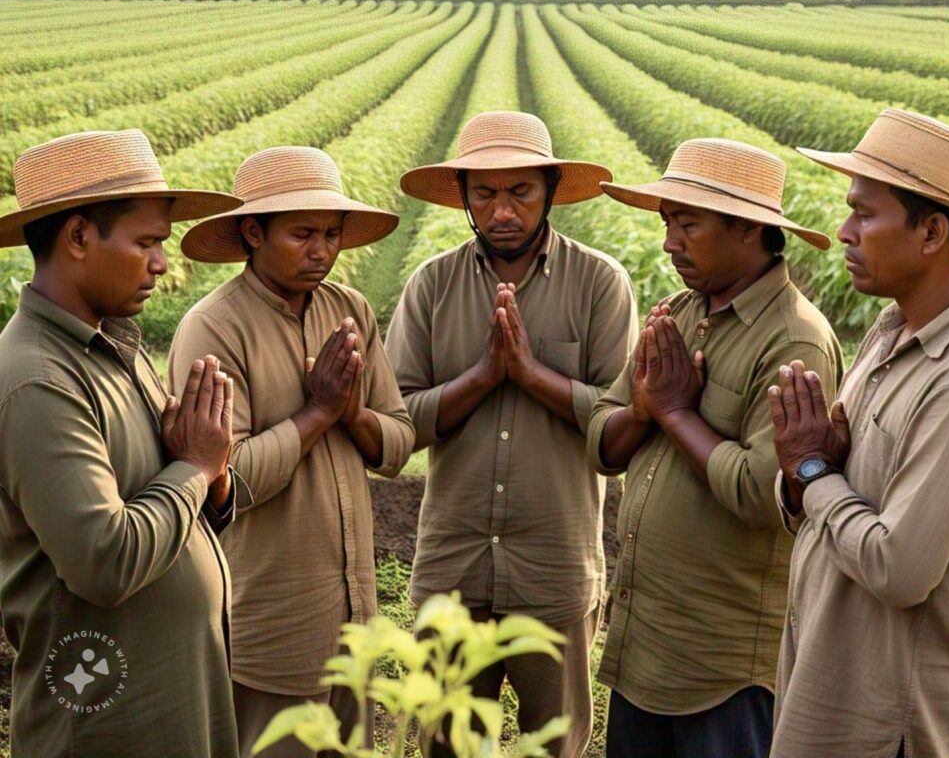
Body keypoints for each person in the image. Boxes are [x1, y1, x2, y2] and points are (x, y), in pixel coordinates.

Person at [769, 108, 949, 758]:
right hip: (829, 673)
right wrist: (806, 478)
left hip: (883, 720)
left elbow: (900, 568)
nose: (844, 232)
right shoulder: (890, 333)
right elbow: (829, 490)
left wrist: (812, 474)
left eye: (865, 213)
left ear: (933, 231)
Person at [385, 111, 637, 758]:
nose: (503, 211)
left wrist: (528, 374)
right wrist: (480, 377)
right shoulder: (431, 286)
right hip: (453, 566)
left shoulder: (599, 284)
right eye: (485, 194)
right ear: (465, 198)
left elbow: (621, 422)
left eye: (520, 192)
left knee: (554, 744)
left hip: (554, 569)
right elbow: (397, 421)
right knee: (446, 743)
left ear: (550, 192)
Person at [588, 137, 843, 758]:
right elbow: (602, 436)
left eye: (688, 224)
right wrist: (645, 408)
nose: (670, 242)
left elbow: (766, 493)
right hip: (645, 647)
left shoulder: (793, 344)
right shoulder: (676, 313)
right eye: (667, 222)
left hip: (723, 669)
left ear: (750, 229)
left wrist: (673, 413)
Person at [0, 128, 244, 758]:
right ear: (79, 237)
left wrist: (211, 481)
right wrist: (196, 466)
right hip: (109, 722)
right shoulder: (38, 380)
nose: (163, 263)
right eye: (147, 243)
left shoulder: (112, 344)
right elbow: (103, 562)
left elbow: (169, 497)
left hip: (170, 698)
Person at [168, 146, 413, 758]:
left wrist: (353, 412)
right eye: (303, 233)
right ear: (253, 232)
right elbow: (225, 481)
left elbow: (399, 445)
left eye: (332, 234)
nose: (323, 251)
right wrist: (319, 413)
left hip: (353, 612)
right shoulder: (215, 327)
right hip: (271, 618)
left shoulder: (349, 311)